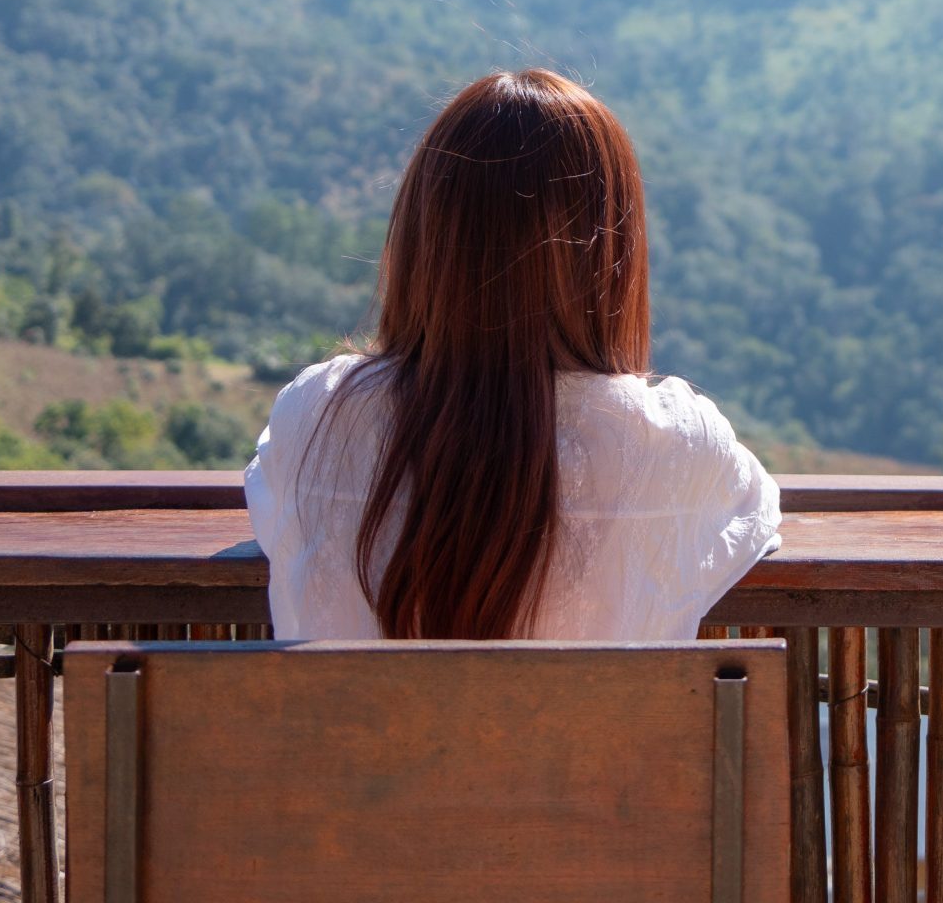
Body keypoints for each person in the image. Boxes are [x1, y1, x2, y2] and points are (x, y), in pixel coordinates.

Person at [245, 68, 780, 639]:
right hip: (592, 733)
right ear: (610, 253)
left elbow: (271, 503)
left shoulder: (317, 419)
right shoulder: (675, 443)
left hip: (356, 732)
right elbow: (754, 516)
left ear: (424, 239)